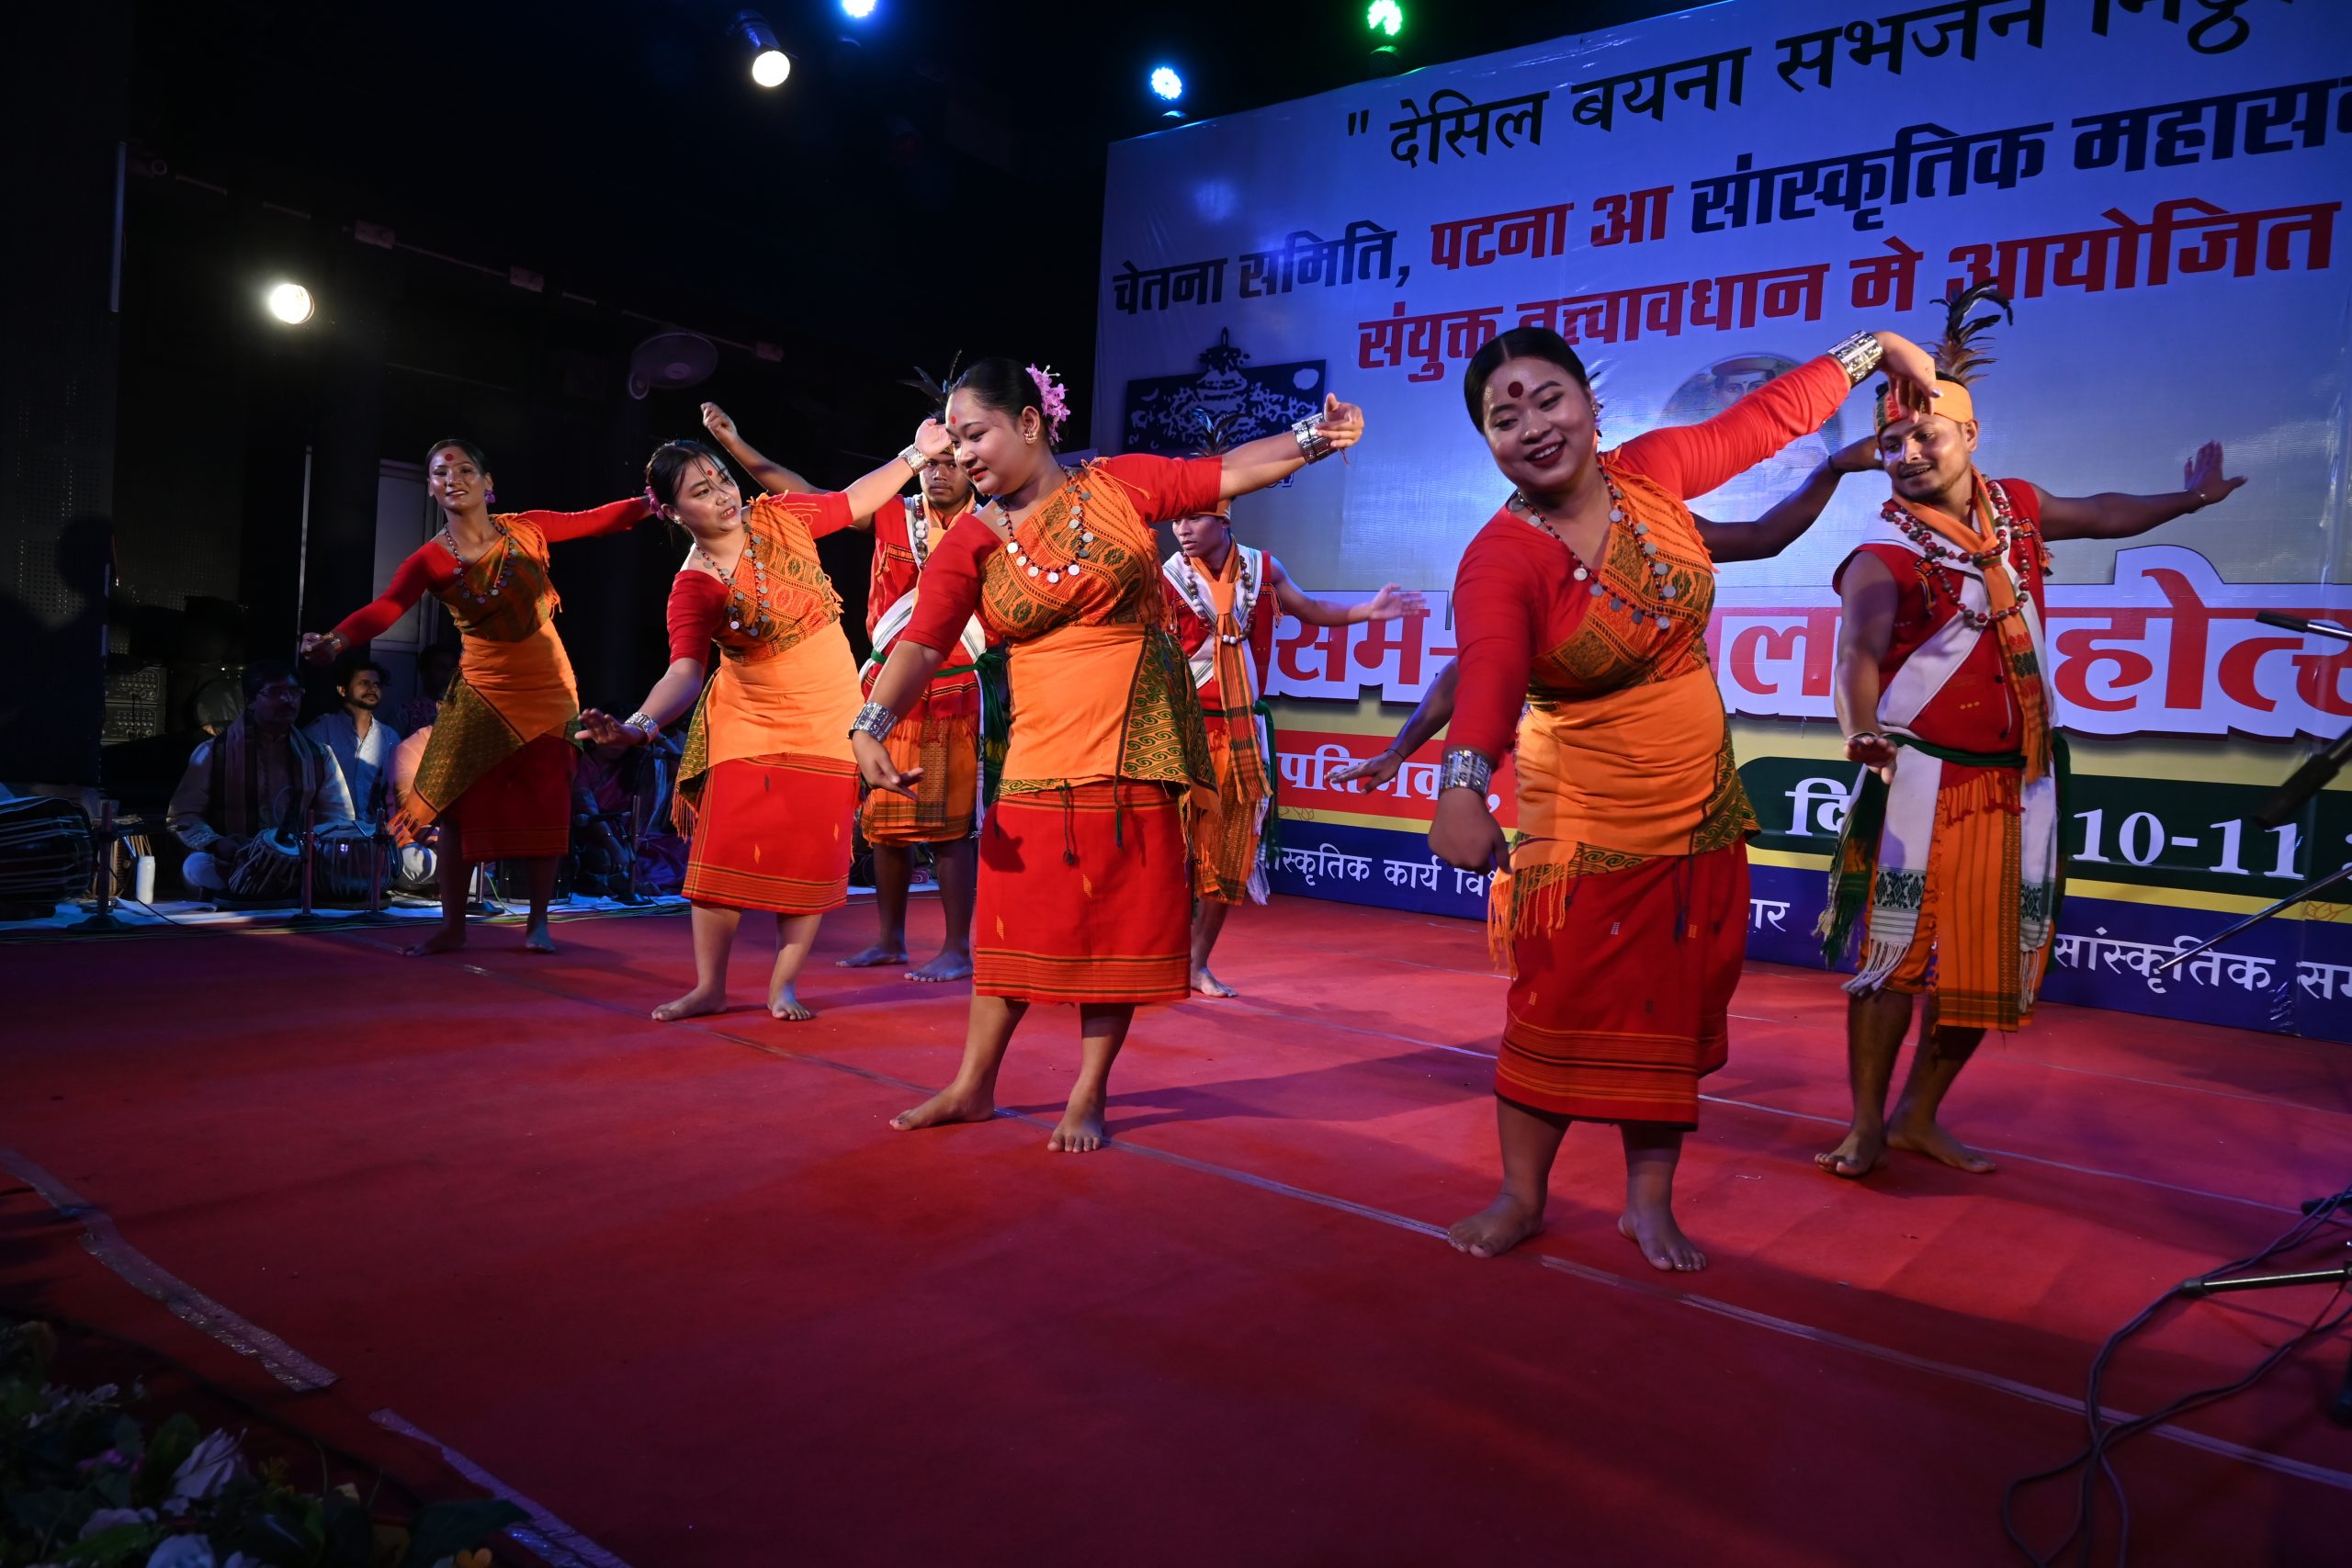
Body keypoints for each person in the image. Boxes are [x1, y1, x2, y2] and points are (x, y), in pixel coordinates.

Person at [1429, 322, 1941, 1269]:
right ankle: (1520, 1195)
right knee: (1556, 1002)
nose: (1533, 425)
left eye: (1548, 398)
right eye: (1504, 417)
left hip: (1699, 805)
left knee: (1671, 1010)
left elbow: (1767, 417)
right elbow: (1492, 667)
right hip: (1584, 818)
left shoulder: (1652, 473)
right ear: (1490, 443)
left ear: (1591, 406)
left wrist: (1875, 349)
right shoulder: (1501, 557)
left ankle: (1647, 1204)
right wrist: (1462, 783)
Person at [853, 359, 1364, 1153]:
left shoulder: (1119, 486)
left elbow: (1227, 472)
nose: (963, 454)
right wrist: (870, 724)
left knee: (1114, 932)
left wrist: (1315, 438)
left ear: (1030, 423)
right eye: (954, 441)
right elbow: (922, 644)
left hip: (1134, 749)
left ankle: (1088, 1091)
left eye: (975, 434)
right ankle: (973, 1083)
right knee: (1010, 927)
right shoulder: (972, 540)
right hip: (1038, 756)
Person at [1817, 288, 2244, 1180]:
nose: (1905, 454)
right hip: (1918, 783)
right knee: (1892, 962)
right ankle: (1863, 1125)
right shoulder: (1883, 557)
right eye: (1889, 444)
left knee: (1986, 964)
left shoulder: (2016, 507)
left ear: (1970, 435)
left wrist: (2191, 501)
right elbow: (1855, 652)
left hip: (2020, 782)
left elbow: (2102, 511)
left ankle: (1917, 1117)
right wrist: (1859, 730)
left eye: (1923, 437)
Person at [579, 429, 946, 1021]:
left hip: (829, 715)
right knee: (721, 855)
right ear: (672, 512)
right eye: (702, 492)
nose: (724, 496)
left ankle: (784, 986)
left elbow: (854, 499)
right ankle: (710, 987)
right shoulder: (694, 586)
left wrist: (917, 452)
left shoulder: (782, 517)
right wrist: (637, 728)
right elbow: (683, 672)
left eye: (723, 480)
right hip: (749, 720)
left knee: (808, 855)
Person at [1329, 436, 1883, 791]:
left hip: (1684, 777)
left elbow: (1764, 537)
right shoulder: (1516, 555)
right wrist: (1401, 751)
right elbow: (1475, 669)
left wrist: (1830, 468)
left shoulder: (1651, 524)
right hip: (1579, 786)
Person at [301, 439, 650, 954]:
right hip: (484, 687)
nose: (453, 478)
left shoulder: (527, 528)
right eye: (441, 472)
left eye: (465, 470)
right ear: (431, 488)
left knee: (546, 800)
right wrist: (334, 641)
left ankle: (537, 923)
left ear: (489, 485)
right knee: (458, 805)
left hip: (548, 685)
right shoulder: (429, 559)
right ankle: (453, 926)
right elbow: (386, 607)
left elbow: (591, 521)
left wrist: (651, 502)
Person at [705, 390, 989, 983]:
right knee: (885, 825)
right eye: (931, 464)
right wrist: (734, 443)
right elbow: (804, 494)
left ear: (970, 467)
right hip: (885, 690)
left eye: (950, 464)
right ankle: (889, 939)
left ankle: (957, 948)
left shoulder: (991, 524)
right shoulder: (894, 513)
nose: (937, 474)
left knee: (950, 828)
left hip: (954, 688)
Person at [1161, 469, 1424, 996]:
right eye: (1176, 519)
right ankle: (1151, 956)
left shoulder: (1262, 569)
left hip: (1242, 732)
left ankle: (1195, 963)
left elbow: (1312, 609)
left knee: (1229, 852)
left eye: (1194, 518)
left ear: (1224, 517)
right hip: (1181, 730)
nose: (1181, 529)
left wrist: (1368, 612)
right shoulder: (1164, 578)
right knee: (1168, 850)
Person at [168, 660, 357, 898]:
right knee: (196, 866)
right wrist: (217, 843)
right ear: (250, 701)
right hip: (234, 861)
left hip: (299, 861)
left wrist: (304, 847)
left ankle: (274, 887)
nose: (288, 700)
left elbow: (339, 819)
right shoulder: (213, 753)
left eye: (294, 692)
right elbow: (182, 816)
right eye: (275, 692)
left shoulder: (319, 755)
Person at [304, 659, 401, 822]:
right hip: (329, 830)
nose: (372, 689)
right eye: (364, 683)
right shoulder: (321, 730)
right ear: (342, 690)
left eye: (377, 684)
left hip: (372, 831)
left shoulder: (389, 737)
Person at [397, 643, 459, 735]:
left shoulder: (462, 710)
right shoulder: (406, 712)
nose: (449, 674)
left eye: (452, 669)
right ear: (425, 672)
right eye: (442, 668)